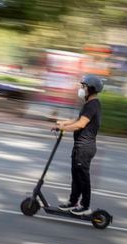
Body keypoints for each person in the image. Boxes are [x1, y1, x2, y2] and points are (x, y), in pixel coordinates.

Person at [53, 74, 103, 215]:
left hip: (85, 147)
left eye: (84, 86)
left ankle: (85, 206)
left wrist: (63, 128)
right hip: (80, 146)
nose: (81, 89)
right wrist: (63, 123)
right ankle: (73, 201)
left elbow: (81, 124)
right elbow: (77, 119)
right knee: (76, 176)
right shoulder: (89, 104)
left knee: (82, 177)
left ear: (91, 89)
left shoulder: (93, 104)